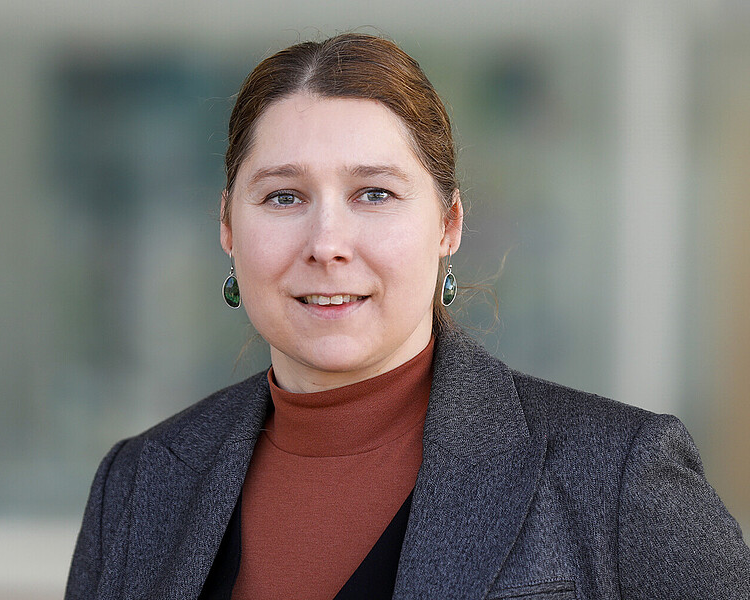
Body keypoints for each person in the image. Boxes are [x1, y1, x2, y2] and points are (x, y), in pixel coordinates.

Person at [65, 33, 750, 600]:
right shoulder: (139, 483)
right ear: (226, 225)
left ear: (449, 224)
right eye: (282, 197)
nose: (327, 243)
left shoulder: (616, 477)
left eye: (374, 193)